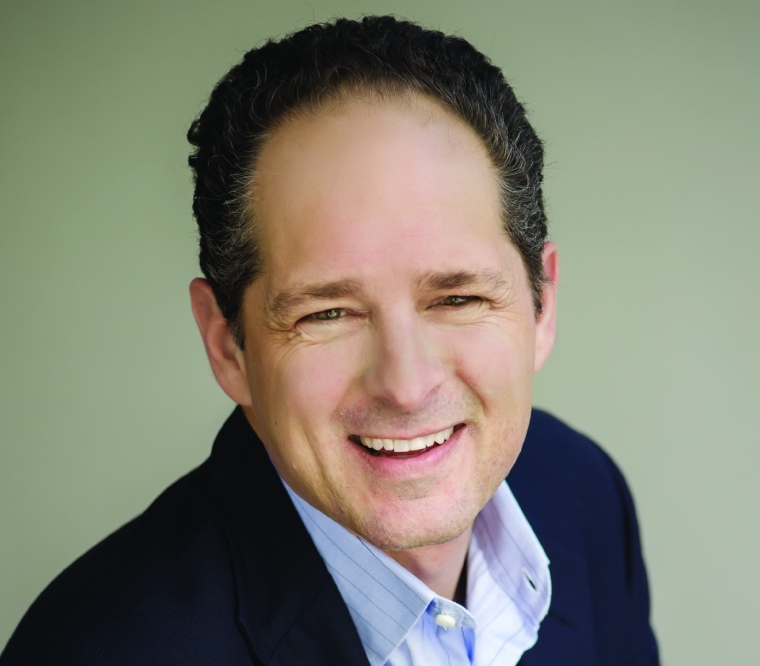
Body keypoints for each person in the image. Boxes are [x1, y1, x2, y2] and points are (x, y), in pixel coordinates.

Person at [1, 16, 659, 666]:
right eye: (328, 314)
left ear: (542, 305)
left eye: (457, 299)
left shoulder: (583, 493)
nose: (406, 386)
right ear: (228, 346)